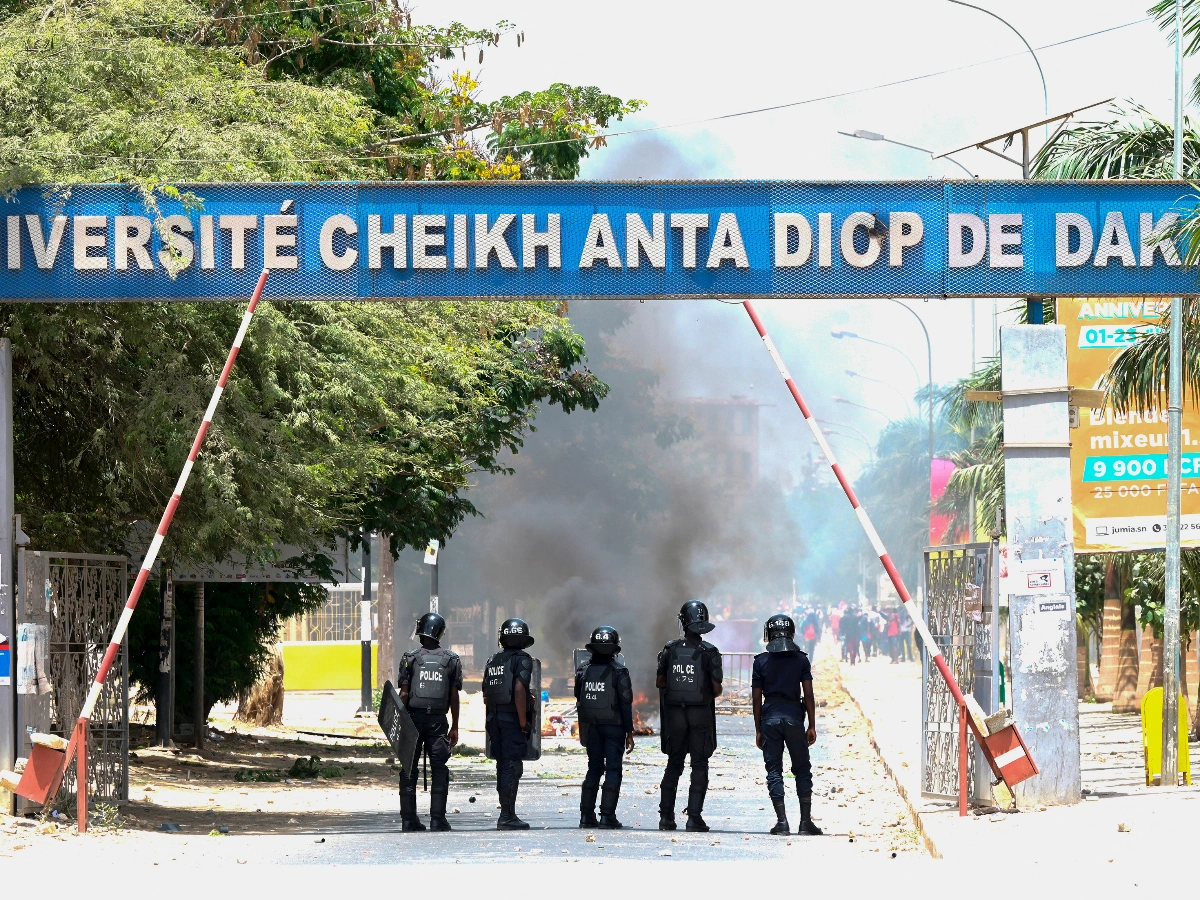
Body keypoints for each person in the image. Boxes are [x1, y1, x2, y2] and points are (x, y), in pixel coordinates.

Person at [753, 614, 823, 836]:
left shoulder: (760, 661)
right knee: (802, 769)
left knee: (774, 770)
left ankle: (782, 822)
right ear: (792, 633)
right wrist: (811, 725)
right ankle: (805, 823)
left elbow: (756, 699)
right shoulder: (801, 660)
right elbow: (809, 695)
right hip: (794, 718)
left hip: (770, 720)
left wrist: (758, 728)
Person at [657, 600, 723, 832]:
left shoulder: (669, 649)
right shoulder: (710, 652)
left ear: (683, 622)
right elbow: (716, 689)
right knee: (700, 764)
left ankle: (666, 817)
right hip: (700, 714)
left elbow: (660, 682)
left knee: (674, 764)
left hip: (675, 714)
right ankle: (694, 817)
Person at [397, 611, 462, 832]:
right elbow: (454, 696)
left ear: (421, 630)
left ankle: (408, 820)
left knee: (408, 770)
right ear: (440, 633)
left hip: (413, 721)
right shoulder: (451, 660)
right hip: (437, 722)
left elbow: (404, 695)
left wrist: (398, 723)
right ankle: (437, 819)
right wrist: (455, 726)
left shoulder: (410, 658)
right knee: (439, 769)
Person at [574, 625, 635, 829]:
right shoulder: (620, 671)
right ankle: (607, 816)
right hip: (614, 727)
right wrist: (629, 732)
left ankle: (586, 816)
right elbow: (626, 703)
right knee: (613, 769)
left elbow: (578, 698)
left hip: (591, 727)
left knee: (594, 768)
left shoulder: (582, 670)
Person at [482, 617, 536, 830]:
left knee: (503, 765)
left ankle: (506, 812)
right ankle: (507, 816)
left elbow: (486, 693)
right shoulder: (522, 659)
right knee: (512, 766)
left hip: (494, 719)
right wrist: (523, 721)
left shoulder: (492, 660)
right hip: (512, 720)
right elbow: (519, 690)